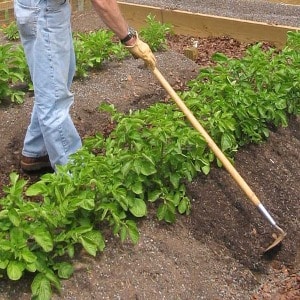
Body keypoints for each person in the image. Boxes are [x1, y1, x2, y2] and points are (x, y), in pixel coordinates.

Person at [14, 0, 156, 172]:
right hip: (44, 12)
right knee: (54, 99)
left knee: (54, 83)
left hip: (43, 7)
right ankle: (75, 175)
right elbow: (103, 2)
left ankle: (36, 151)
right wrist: (130, 39)